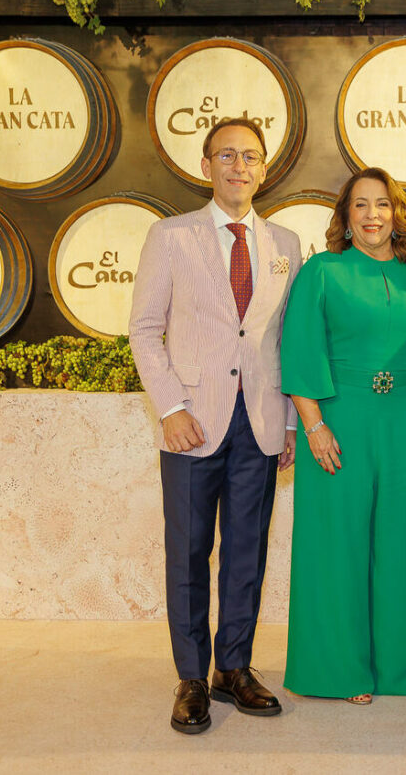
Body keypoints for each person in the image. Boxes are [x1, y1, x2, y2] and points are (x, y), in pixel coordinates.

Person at [129, 117, 302, 734]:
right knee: (189, 552)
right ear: (206, 166)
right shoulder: (170, 236)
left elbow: (286, 339)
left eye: (250, 156)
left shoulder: (286, 244)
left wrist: (289, 421)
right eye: (226, 155)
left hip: (260, 422)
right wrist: (170, 408)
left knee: (247, 552)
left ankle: (233, 667)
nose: (239, 166)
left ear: (264, 169)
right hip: (193, 423)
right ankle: (192, 678)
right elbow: (144, 330)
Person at [280, 166, 406, 704]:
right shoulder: (322, 271)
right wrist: (313, 425)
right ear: (346, 217)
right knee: (338, 544)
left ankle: (400, 667)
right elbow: (301, 351)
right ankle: (340, 671)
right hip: (339, 419)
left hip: (405, 421)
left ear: (397, 214)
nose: (372, 215)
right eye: (360, 205)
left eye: (382, 204)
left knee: (400, 542)